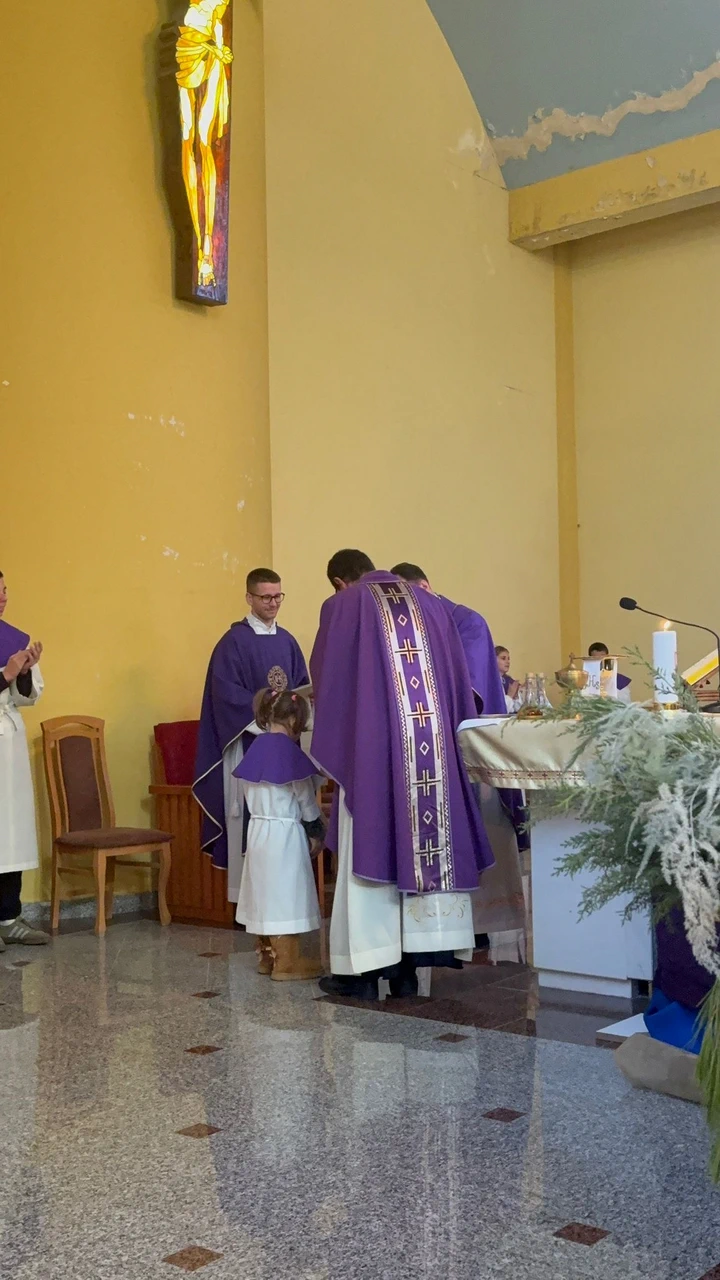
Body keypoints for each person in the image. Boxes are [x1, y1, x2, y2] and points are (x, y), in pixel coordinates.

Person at [310, 556, 496, 1001]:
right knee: (422, 844)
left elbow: (327, 682)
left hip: (370, 754)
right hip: (430, 755)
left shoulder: (342, 606)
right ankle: (410, 972)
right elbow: (457, 681)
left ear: (340, 582)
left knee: (369, 845)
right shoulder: (431, 604)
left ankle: (363, 972)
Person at [392, 565, 528, 962]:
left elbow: (465, 690)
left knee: (478, 833)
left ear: (425, 586)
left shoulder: (467, 622)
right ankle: (439, 935)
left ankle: (478, 931)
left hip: (470, 752)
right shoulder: (411, 626)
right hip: (427, 752)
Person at [193, 568, 309, 902]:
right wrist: (268, 714)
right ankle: (249, 901)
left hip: (286, 746)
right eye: (266, 597)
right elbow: (226, 696)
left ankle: (287, 897)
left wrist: (295, 711)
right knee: (249, 820)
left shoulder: (288, 641)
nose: (273, 603)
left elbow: (301, 687)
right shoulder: (232, 643)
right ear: (249, 598)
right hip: (247, 745)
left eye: (278, 596)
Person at [234, 689, 324, 981]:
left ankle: (266, 958)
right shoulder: (290, 754)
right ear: (294, 719)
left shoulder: (254, 751)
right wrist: (316, 832)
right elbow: (306, 801)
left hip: (258, 832)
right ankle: (287, 962)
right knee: (286, 895)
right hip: (284, 835)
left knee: (263, 893)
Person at [0, 571, 49, 949]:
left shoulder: (13, 638)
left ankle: (9, 918)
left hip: (9, 745)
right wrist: (7, 673)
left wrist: (26, 672)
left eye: (4, 591)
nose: (3, 598)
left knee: (11, 832)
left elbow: (27, 697)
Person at [176, 1, 233, 288]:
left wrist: (217, 47)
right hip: (186, 46)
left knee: (203, 141)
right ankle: (199, 244)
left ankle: (207, 248)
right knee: (187, 140)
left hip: (212, 49)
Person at [495, 645, 523, 713]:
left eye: (508, 659)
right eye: (503, 658)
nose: (507, 662)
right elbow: (500, 710)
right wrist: (510, 695)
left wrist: (516, 696)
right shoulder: (491, 681)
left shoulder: (507, 680)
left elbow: (515, 709)